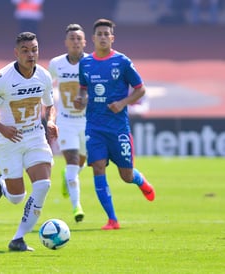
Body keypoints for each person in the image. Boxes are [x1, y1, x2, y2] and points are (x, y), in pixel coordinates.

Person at [0, 32, 58, 251]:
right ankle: (2, 181)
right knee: (16, 198)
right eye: (25, 50)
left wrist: (50, 121)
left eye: (35, 50)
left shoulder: (44, 76)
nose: (31, 55)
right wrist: (3, 128)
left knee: (43, 185)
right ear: (16, 53)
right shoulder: (2, 77)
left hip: (35, 136)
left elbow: (50, 105)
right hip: (8, 141)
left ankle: (18, 239)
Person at [74, 19, 155, 230]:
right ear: (92, 39)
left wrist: (123, 103)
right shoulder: (85, 63)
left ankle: (140, 181)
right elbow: (83, 88)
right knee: (98, 167)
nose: (102, 37)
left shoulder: (122, 62)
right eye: (99, 34)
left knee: (126, 175)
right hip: (94, 126)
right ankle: (112, 219)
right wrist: (81, 98)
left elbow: (141, 89)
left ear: (112, 38)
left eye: (106, 34)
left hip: (118, 128)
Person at [48, 23, 88, 223]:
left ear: (84, 42)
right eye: (71, 38)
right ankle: (76, 208)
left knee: (80, 164)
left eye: (78, 38)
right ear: (66, 42)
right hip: (66, 122)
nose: (75, 42)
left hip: (88, 123)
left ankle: (68, 176)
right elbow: (47, 86)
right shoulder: (56, 63)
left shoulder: (91, 62)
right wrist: (49, 114)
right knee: (72, 165)